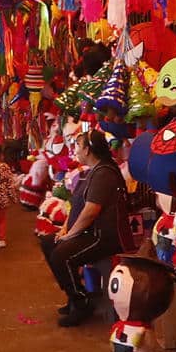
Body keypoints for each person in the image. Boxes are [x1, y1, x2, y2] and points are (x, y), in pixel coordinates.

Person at [39, 127, 130, 326]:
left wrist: (71, 234)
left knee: (61, 255)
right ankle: (74, 297)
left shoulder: (104, 173)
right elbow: (76, 204)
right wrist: (65, 228)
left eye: (78, 146)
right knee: (48, 242)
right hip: (89, 232)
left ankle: (81, 303)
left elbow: (91, 211)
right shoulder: (92, 171)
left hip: (104, 237)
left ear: (88, 150)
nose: (76, 151)